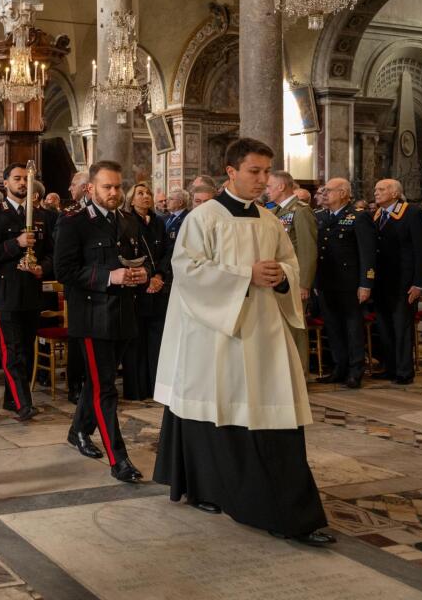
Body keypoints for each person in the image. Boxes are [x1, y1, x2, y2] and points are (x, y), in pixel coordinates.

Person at [154, 138, 332, 546]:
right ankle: (209, 489)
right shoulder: (203, 218)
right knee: (216, 414)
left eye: (267, 172)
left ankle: (284, 509)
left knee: (274, 416)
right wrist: (243, 275)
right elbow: (187, 271)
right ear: (231, 172)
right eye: (255, 171)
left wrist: (283, 276)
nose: (263, 180)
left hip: (264, 332)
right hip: (218, 335)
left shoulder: (269, 220)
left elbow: (290, 263)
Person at [54, 160, 146, 482]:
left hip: (124, 314)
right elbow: (64, 271)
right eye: (107, 187)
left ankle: (78, 430)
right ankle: (119, 459)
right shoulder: (74, 223)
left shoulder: (128, 221)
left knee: (98, 381)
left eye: (118, 186)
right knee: (106, 388)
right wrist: (109, 276)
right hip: (93, 317)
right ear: (91, 188)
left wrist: (143, 273)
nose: (114, 192)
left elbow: (141, 258)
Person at [0, 163, 54, 420]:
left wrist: (42, 268)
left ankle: (12, 399)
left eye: (25, 179)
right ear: (5, 183)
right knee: (13, 350)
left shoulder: (42, 215)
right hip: (6, 291)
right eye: (17, 178)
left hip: (32, 291)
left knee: (27, 349)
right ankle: (24, 403)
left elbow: (52, 252)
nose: (22, 183)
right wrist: (16, 243)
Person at [314, 178, 376, 388]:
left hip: (350, 284)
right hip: (326, 281)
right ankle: (339, 368)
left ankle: (355, 370)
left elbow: (367, 253)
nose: (324, 194)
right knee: (332, 327)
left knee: (352, 328)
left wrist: (366, 283)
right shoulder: (321, 216)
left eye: (328, 190)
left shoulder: (358, 217)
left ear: (343, 193)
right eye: (323, 191)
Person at [371, 178, 422, 384]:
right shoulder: (377, 214)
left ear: (395, 193)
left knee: (402, 327)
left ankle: (404, 371)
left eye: (381, 189)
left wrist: (419, 282)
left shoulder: (412, 213)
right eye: (375, 189)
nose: (376, 193)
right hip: (381, 281)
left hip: (404, 282)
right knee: (384, 327)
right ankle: (390, 367)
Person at [266, 170, 317, 371]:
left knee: (296, 326)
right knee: (282, 327)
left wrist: (304, 283)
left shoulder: (301, 211)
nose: (266, 190)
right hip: (279, 278)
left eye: (269, 186)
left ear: (281, 187)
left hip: (294, 279)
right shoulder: (275, 212)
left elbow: (308, 249)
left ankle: (300, 372)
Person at [123, 181, 169, 401]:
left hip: (158, 286)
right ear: (131, 200)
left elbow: (167, 252)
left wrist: (159, 276)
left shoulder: (159, 222)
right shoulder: (126, 221)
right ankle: (137, 389)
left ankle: (156, 388)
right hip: (137, 287)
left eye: (148, 192)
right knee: (137, 341)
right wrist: (147, 278)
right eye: (140, 193)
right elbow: (128, 255)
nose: (146, 196)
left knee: (157, 341)